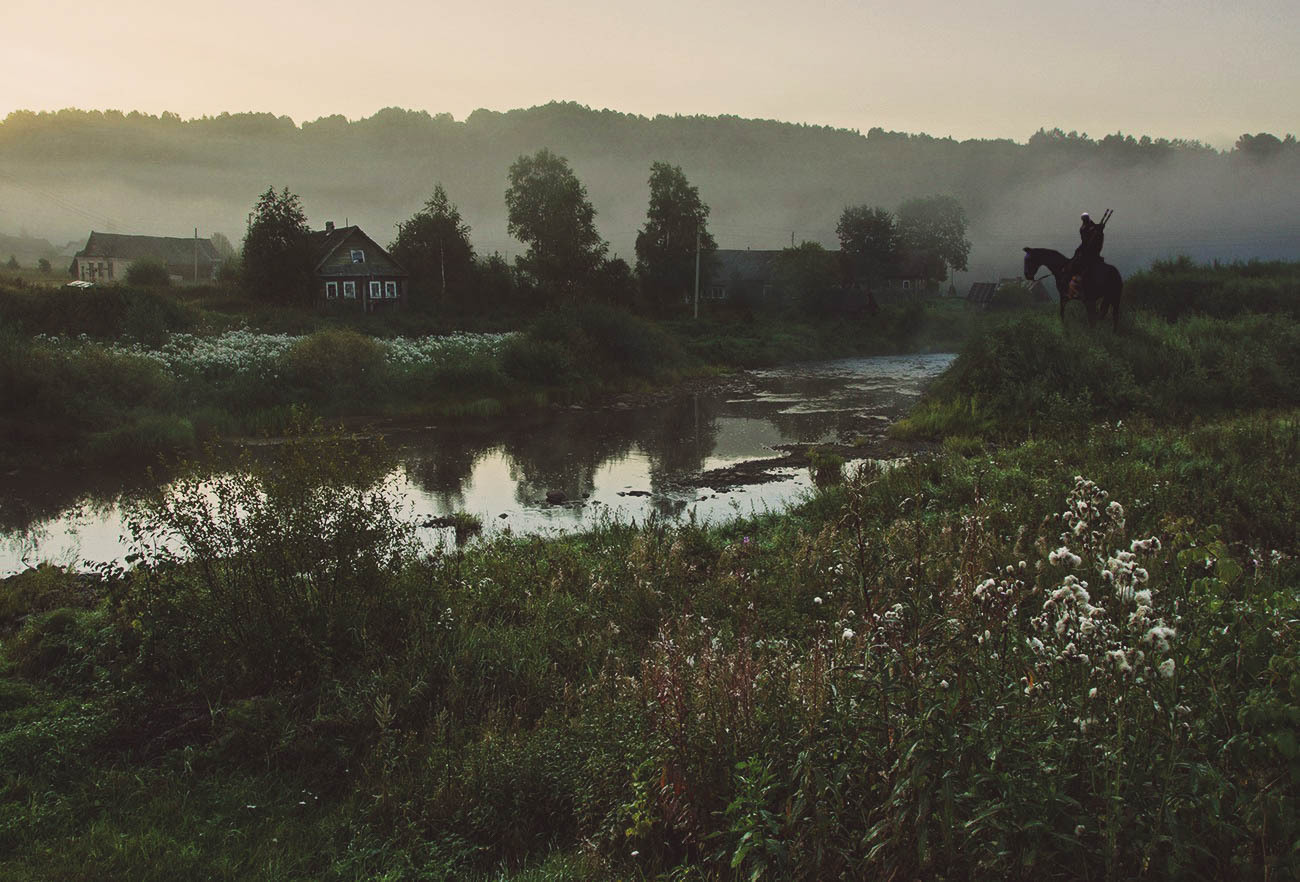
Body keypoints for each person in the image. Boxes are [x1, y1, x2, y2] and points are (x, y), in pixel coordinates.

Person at [1069, 211, 1106, 299]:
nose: (1085, 220)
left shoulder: (1093, 226)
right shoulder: (1083, 228)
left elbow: (1098, 232)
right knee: (1077, 255)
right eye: (1084, 219)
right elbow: (1085, 238)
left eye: (1086, 219)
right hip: (1086, 246)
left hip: (1093, 248)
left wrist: (1099, 229)